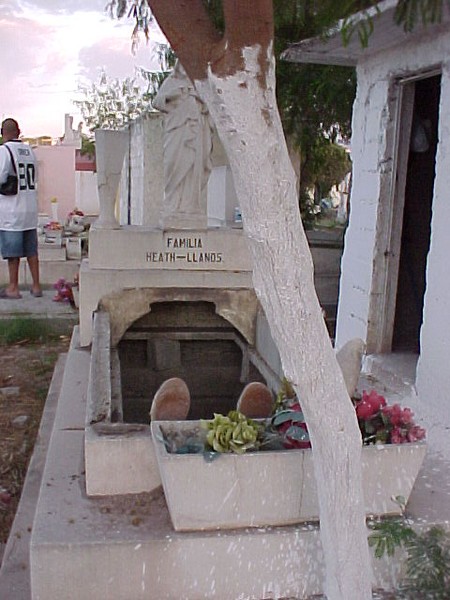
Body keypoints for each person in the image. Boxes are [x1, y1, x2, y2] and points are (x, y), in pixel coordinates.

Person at [153, 61, 213, 222]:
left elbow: (210, 107)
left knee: (194, 167)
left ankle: (190, 206)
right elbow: (157, 102)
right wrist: (172, 95)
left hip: (195, 132)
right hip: (176, 131)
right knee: (174, 164)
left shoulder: (200, 85)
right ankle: (172, 204)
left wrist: (198, 98)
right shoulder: (171, 82)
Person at [0, 118, 42, 299]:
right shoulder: (30, 151)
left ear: (3, 132)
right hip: (30, 208)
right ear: (19, 131)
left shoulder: (4, 150)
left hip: (12, 210)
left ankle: (13, 288)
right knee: (31, 251)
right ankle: (36, 286)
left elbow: (1, 177)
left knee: (13, 253)